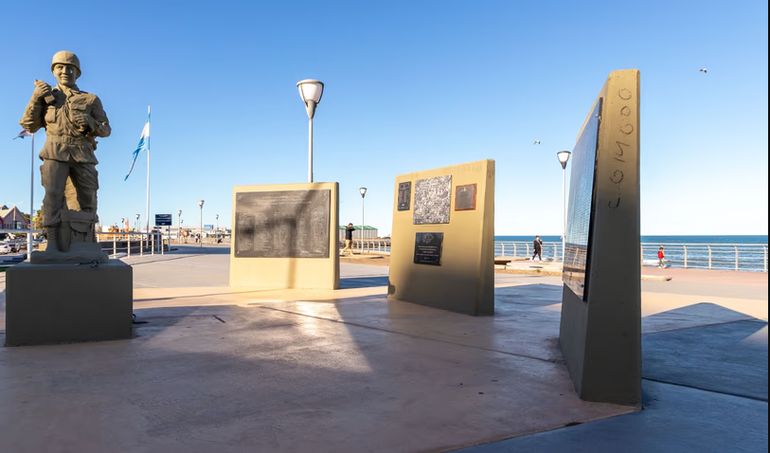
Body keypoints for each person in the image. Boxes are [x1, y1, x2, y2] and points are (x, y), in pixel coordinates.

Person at [19, 51, 111, 256]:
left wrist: (91, 124)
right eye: (59, 67)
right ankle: (52, 245)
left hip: (83, 154)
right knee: (52, 197)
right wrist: (36, 98)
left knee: (89, 197)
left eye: (70, 68)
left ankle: (89, 242)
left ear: (78, 72)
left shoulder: (90, 99)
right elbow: (28, 125)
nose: (65, 71)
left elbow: (106, 130)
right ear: (53, 71)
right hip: (54, 151)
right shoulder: (44, 96)